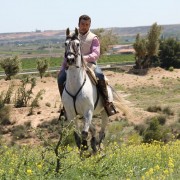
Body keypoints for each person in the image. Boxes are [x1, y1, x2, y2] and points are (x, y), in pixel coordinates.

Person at [57, 14, 118, 117]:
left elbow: (96, 54)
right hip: (73, 66)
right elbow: (67, 53)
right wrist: (62, 68)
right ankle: (65, 107)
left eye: (87, 24)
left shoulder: (93, 38)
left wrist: (82, 58)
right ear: (78, 24)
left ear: (89, 25)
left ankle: (107, 103)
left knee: (100, 76)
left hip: (90, 65)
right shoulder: (72, 36)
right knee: (61, 78)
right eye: (82, 24)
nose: (84, 26)